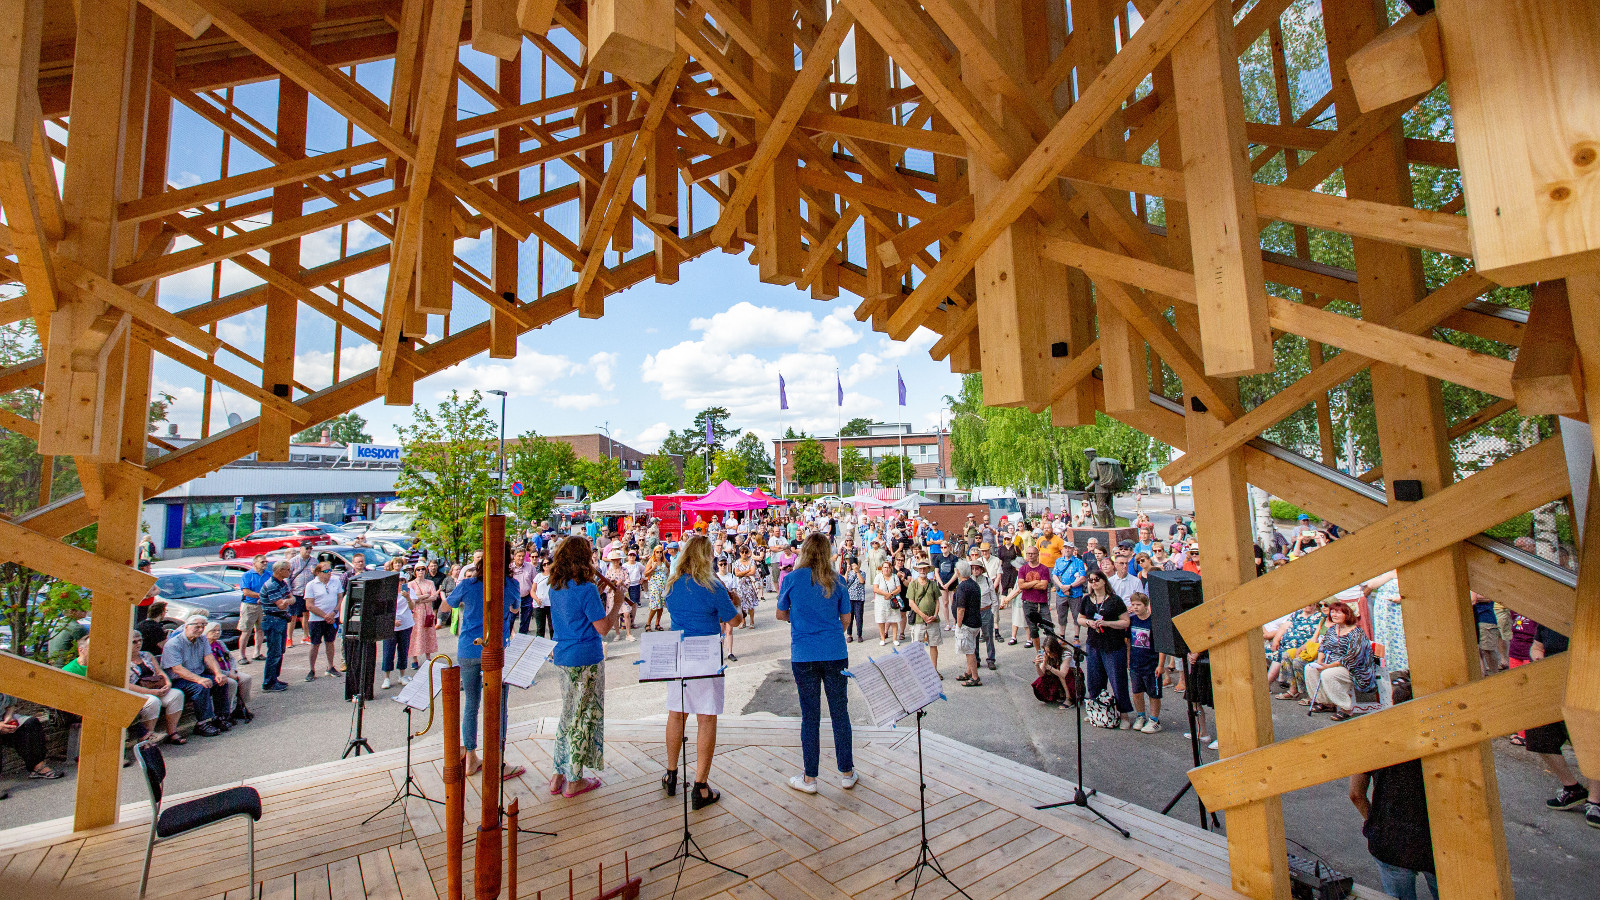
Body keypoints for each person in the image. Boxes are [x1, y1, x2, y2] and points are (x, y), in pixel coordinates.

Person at [662, 534, 744, 809]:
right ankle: (700, 786)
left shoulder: (672, 584)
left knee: (677, 713)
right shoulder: (712, 586)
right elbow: (735, 620)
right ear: (705, 557)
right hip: (706, 654)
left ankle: (671, 774)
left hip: (678, 652)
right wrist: (735, 601)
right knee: (706, 718)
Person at [778, 532, 856, 794]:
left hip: (804, 654)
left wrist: (798, 618)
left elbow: (780, 614)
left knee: (809, 716)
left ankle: (810, 778)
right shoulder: (838, 581)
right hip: (834, 650)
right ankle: (846, 772)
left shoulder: (791, 579)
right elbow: (846, 619)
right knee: (839, 713)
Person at [1348, 680, 1437, 900]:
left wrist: (1374, 820)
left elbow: (1356, 794)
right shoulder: (1439, 737)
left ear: (1394, 704)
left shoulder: (1375, 738)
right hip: (1435, 837)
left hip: (1390, 839)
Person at [547, 535, 620, 798]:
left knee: (568, 714)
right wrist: (617, 603)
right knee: (583, 716)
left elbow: (574, 614)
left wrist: (597, 595)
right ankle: (575, 780)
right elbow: (603, 628)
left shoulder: (555, 586)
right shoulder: (586, 589)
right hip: (585, 658)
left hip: (563, 656)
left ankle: (558, 773)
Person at [446, 559, 521, 781]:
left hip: (468, 647)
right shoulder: (510, 583)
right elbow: (515, 608)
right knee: (499, 706)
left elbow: (448, 604)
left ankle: (471, 756)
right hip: (495, 648)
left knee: (471, 703)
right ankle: (498, 761)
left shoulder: (468, 584)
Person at [1526, 623, 1600, 826]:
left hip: (1587, 685)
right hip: (1553, 685)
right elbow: (1537, 646)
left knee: (1592, 740)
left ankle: (1596, 801)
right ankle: (1572, 788)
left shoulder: (1590, 615)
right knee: (1538, 734)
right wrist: (1537, 655)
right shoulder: (1549, 618)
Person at [1077, 570, 1134, 729]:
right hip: (1094, 643)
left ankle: (1124, 715)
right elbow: (1079, 618)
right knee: (1094, 680)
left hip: (1113, 645)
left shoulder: (1115, 600)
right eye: (1091, 580)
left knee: (1117, 680)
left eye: (1097, 579)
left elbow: (1125, 622)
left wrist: (1107, 624)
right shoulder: (1087, 599)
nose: (1093, 582)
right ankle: (1095, 709)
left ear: (1104, 581)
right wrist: (1089, 623)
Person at [1303, 600, 1377, 720]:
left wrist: (1329, 666)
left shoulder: (1356, 633)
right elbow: (1323, 646)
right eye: (1332, 612)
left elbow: (1352, 657)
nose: (1334, 615)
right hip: (1332, 664)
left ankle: (1346, 709)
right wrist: (1320, 661)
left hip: (1353, 668)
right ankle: (1326, 702)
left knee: (1328, 674)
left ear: (1346, 615)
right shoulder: (1332, 630)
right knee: (1310, 668)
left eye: (1338, 613)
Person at [160, 616, 228, 736]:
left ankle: (220, 717)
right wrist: (199, 679)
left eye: (203, 626)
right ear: (187, 626)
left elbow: (209, 658)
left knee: (221, 682)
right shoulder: (173, 644)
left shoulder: (202, 639)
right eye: (197, 626)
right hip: (179, 680)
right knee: (201, 687)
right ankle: (203, 723)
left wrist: (218, 673)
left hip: (197, 674)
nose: (200, 629)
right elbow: (177, 669)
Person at [119, 632, 186, 744]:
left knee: (176, 695)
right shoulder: (122, 660)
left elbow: (159, 671)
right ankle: (147, 738)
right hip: (136, 692)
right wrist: (151, 692)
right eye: (134, 641)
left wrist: (168, 684)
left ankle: (172, 732)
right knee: (152, 702)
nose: (138, 643)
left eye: (140, 640)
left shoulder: (147, 655)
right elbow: (126, 684)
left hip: (155, 687)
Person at [0, 691, 63, 780]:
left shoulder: (5, 682)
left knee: (31, 723)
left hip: (3, 719)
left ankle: (38, 767)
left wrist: (8, 718)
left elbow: (11, 704)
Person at [1126, 592, 1164, 733]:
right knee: (1137, 692)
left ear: (1146, 605)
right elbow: (1129, 642)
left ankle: (1154, 719)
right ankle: (1140, 716)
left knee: (1153, 694)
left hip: (1151, 664)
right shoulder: (1132, 620)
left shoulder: (1153, 622)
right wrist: (1129, 660)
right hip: (1136, 663)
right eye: (1133, 604)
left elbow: (1161, 646)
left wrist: (1161, 665)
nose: (1135, 607)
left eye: (1138, 605)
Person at [204, 622, 252, 724]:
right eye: (214, 631)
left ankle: (240, 706)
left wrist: (233, 670)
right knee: (231, 683)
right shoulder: (204, 646)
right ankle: (228, 711)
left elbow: (231, 658)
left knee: (246, 678)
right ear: (206, 632)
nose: (217, 633)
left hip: (229, 671)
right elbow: (208, 667)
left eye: (218, 630)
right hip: (216, 674)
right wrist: (227, 674)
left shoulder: (220, 643)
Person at [258, 560, 294, 692]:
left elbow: (290, 598)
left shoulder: (282, 583)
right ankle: (268, 682)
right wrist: (288, 601)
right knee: (274, 652)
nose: (289, 572)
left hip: (280, 620)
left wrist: (288, 600)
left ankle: (274, 678)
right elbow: (281, 604)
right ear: (280, 571)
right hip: (273, 620)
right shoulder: (272, 585)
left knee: (280, 651)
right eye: (287, 570)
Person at [303, 563, 343, 680]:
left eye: (330, 570)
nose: (329, 573)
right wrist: (325, 616)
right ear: (318, 573)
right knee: (315, 644)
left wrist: (334, 613)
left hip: (332, 618)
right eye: (326, 571)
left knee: (330, 642)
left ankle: (330, 666)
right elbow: (309, 605)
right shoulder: (311, 585)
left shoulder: (336, 581)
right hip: (317, 620)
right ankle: (311, 669)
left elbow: (340, 597)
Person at [904, 558, 941, 673]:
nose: (922, 571)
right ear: (918, 570)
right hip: (919, 620)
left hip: (933, 620)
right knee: (917, 647)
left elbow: (937, 601)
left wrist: (935, 615)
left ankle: (934, 670)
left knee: (933, 645)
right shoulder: (913, 584)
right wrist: (923, 615)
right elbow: (911, 603)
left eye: (925, 568)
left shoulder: (933, 584)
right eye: (920, 569)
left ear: (928, 570)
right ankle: (919, 671)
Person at [952, 560, 983, 686]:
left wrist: (958, 624)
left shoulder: (962, 587)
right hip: (975, 621)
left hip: (967, 624)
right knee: (969, 648)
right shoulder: (974, 584)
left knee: (969, 650)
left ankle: (975, 677)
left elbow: (960, 609)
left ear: (958, 572)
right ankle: (969, 672)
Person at [1015, 546, 1052, 649]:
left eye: (1033, 553)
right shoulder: (1023, 569)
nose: (1030, 555)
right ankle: (1038, 652)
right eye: (1028, 553)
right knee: (1033, 629)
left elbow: (1044, 585)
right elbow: (1021, 586)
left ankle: (1050, 653)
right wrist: (1036, 582)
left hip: (1042, 603)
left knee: (1049, 628)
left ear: (1037, 554)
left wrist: (1028, 584)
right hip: (1028, 603)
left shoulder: (1043, 568)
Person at [238, 555, 269, 663]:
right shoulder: (247, 575)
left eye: (266, 562)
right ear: (255, 563)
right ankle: (242, 655)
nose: (265, 564)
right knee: (246, 631)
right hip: (249, 606)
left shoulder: (268, 575)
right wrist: (261, 595)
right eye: (262, 562)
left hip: (263, 606)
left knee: (260, 630)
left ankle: (257, 653)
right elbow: (246, 592)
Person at [408, 562, 439, 667]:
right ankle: (414, 659)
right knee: (415, 635)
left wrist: (420, 597)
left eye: (422, 569)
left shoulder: (430, 583)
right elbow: (412, 599)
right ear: (415, 571)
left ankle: (428, 657)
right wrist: (425, 596)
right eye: (418, 569)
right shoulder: (411, 584)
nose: (420, 571)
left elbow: (434, 596)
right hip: (416, 613)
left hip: (428, 612)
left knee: (428, 634)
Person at [1033, 635, 1074, 708]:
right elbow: (1041, 674)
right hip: (1058, 676)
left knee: (1060, 674)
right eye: (1046, 652)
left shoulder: (1066, 654)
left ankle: (1069, 698)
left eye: (1050, 652)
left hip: (1071, 678)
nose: (1048, 654)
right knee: (1046, 676)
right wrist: (1037, 665)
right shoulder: (1046, 654)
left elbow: (1063, 674)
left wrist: (1048, 666)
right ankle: (1057, 694)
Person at [872, 559, 901, 646]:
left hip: (892, 601)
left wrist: (891, 594)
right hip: (881, 602)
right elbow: (875, 589)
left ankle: (895, 638)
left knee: (894, 620)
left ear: (891, 568)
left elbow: (898, 588)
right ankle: (882, 638)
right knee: (881, 620)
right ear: (882, 568)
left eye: (888, 567)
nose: (886, 569)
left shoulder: (894, 577)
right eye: (884, 567)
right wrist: (885, 594)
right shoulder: (878, 577)